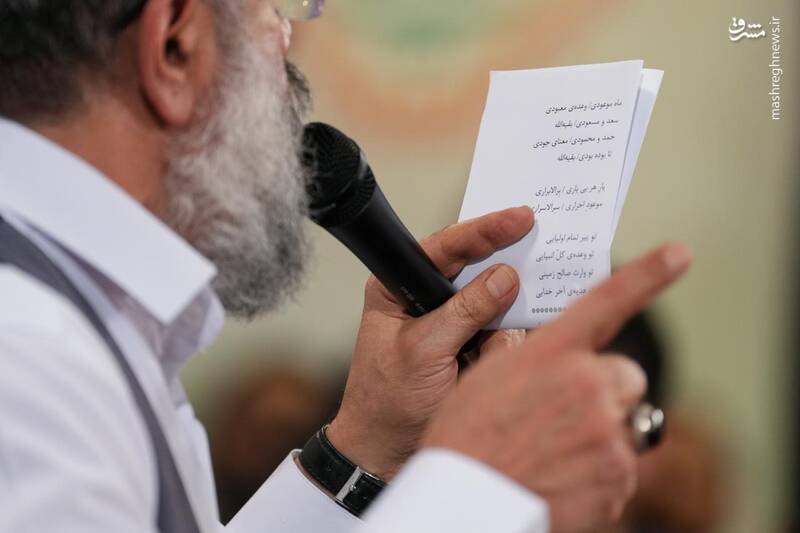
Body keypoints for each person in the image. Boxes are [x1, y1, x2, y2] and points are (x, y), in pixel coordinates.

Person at [0, 1, 693, 532]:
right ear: (175, 44)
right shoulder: (28, 363)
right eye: (279, 10)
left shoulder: (72, 321)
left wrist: (362, 447)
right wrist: (479, 483)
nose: (293, 51)